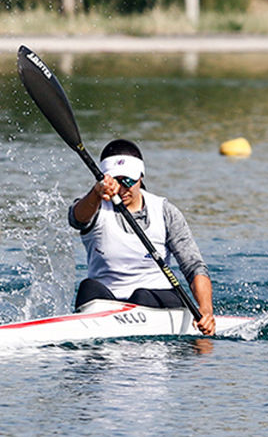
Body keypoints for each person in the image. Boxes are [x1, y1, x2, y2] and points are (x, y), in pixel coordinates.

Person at [68, 139, 216, 335]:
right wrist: (97, 192)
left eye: (128, 181)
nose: (122, 189)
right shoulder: (93, 206)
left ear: (141, 177)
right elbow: (76, 219)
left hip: (156, 300)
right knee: (88, 288)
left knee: (142, 296)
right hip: (105, 303)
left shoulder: (165, 212)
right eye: (116, 181)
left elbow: (194, 267)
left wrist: (206, 311)